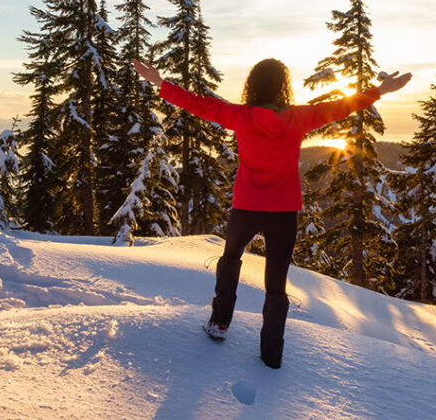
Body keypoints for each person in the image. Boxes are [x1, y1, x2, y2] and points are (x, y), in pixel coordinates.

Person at [133, 58, 411, 369]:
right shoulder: (298, 117)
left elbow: (197, 104)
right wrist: (380, 90)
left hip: (247, 206)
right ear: (282, 86)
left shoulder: (241, 116)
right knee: (276, 286)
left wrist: (159, 82)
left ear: (253, 85)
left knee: (230, 260)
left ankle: (219, 323)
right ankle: (271, 353)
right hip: (283, 210)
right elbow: (341, 106)